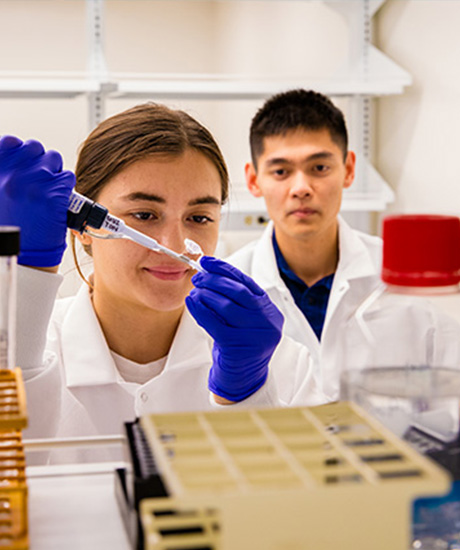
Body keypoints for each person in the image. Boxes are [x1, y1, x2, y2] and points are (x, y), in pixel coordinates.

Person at [0, 102, 317, 449]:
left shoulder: (277, 363)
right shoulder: (25, 348)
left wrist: (249, 399)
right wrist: (27, 274)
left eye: (199, 218)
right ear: (83, 226)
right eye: (144, 214)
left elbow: (307, 498)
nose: (174, 245)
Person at [227, 89, 460, 402]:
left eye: (319, 168)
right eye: (281, 171)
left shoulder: (403, 281)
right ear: (254, 179)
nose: (301, 188)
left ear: (349, 169)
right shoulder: (231, 286)